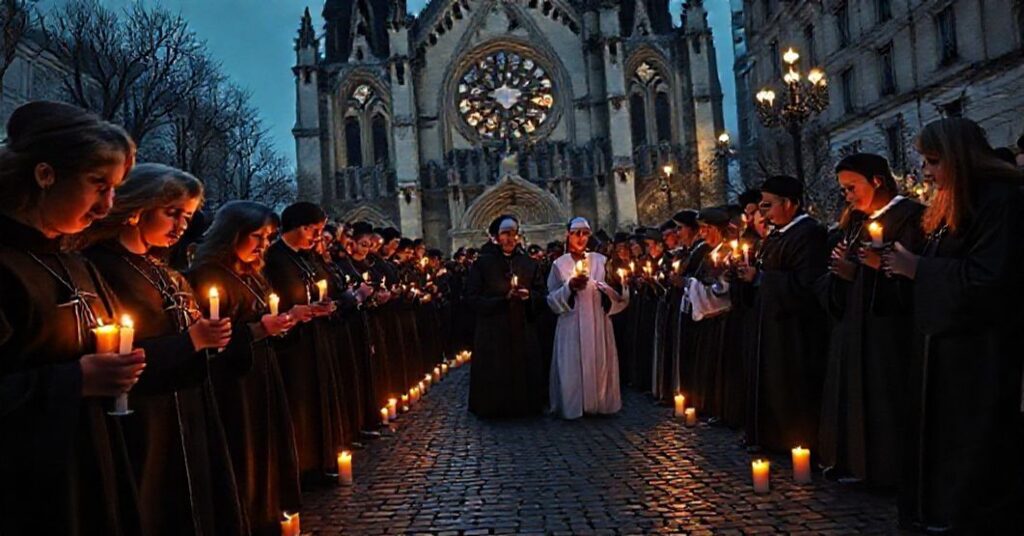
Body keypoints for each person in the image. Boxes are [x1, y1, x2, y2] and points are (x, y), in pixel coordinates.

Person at [78, 163, 247, 535]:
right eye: (172, 213)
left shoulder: (161, 268)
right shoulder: (102, 267)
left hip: (189, 406)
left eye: (187, 216)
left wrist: (208, 336)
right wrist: (193, 340)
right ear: (138, 209)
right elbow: (121, 348)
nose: (182, 226)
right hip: (144, 416)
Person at [0, 101, 144, 535]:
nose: (107, 206)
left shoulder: (75, 262)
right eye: (99, 185)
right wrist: (74, 381)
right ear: (45, 175)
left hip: (93, 464)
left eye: (115, 189)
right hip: (26, 494)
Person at [882, 118, 1024, 532]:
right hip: (943, 351)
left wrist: (919, 270)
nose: (925, 172)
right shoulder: (953, 205)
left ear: (959, 159)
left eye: (932, 162)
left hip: (981, 354)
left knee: (975, 449)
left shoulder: (1001, 202)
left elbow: (989, 279)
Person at [187, 201, 303, 535]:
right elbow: (214, 340)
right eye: (257, 236)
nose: (264, 245)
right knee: (242, 454)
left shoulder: (251, 274)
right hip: (232, 386)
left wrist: (283, 323)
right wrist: (258, 330)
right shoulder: (207, 275)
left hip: (262, 374)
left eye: (268, 237)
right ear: (231, 234)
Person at [817, 153, 925, 487]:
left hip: (887, 332)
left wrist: (869, 272)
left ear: (877, 181)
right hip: (853, 326)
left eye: (852, 187)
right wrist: (841, 273)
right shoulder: (856, 222)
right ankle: (856, 463)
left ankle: (886, 470)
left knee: (883, 399)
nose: (847, 196)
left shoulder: (910, 217)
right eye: (844, 190)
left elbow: (909, 277)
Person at [736, 175, 829, 452]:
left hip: (794, 331)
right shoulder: (776, 236)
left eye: (768, 206)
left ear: (790, 204)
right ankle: (770, 436)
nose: (763, 214)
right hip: (770, 325)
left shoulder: (809, 234)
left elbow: (806, 283)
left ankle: (795, 440)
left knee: (791, 385)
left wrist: (762, 278)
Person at [262, 202, 344, 483]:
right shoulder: (274, 258)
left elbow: (324, 288)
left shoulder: (306, 257)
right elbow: (272, 301)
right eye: (315, 230)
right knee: (301, 403)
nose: (317, 237)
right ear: (301, 227)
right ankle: (305, 465)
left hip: (315, 336)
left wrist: (326, 306)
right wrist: (294, 313)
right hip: (292, 345)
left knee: (319, 397)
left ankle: (322, 459)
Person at [547, 217, 628, 419]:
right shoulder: (559, 264)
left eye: (585, 233)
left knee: (599, 362)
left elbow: (617, 290)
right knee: (572, 366)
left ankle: (600, 402)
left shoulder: (601, 261)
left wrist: (607, 289)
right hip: (571, 324)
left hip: (597, 322)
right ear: (568, 235)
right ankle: (573, 405)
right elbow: (551, 298)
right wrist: (570, 288)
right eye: (577, 233)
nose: (581, 238)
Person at [466, 215, 546, 418]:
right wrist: (502, 300)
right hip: (494, 329)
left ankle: (527, 405)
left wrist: (529, 297)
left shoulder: (528, 263)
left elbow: (541, 294)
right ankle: (496, 407)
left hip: (522, 326)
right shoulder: (482, 264)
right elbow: (472, 298)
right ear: (496, 236)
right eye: (505, 234)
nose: (511, 238)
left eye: (514, 233)